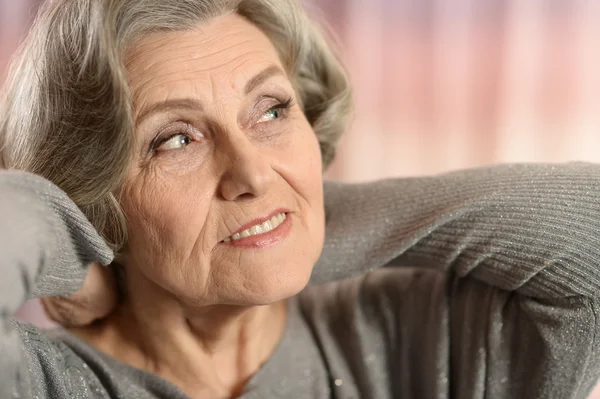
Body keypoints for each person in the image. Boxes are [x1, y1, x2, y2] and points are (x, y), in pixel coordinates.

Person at [1, 0, 600, 398]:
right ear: (92, 191)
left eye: (271, 110)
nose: (253, 173)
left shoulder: (398, 331)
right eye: (175, 139)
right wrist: (72, 243)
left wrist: (307, 222)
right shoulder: (43, 381)